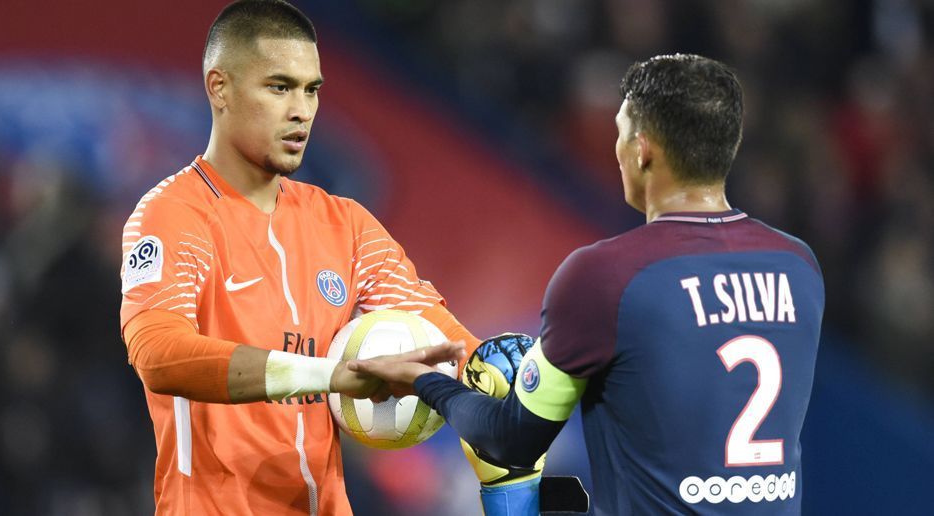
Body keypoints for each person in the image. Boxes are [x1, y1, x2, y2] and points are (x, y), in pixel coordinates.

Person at [351, 54, 825, 515]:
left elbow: (511, 440)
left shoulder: (609, 276)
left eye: (619, 134)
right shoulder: (800, 267)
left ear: (641, 149)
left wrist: (424, 381)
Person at [118, 1, 476, 514]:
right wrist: (326, 374)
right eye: (279, 87)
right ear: (220, 88)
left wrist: (533, 376)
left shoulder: (345, 224)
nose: (301, 110)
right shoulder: (173, 215)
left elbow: (450, 342)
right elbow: (159, 354)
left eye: (312, 90)